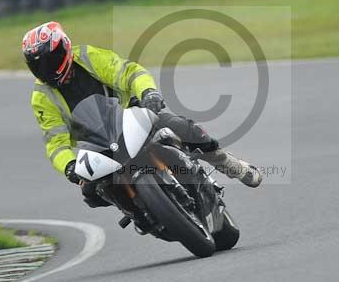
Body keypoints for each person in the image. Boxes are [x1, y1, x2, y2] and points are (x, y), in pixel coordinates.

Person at [22, 21, 262, 208]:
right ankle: (137, 210)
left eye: (50, 60)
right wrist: (69, 166)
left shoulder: (87, 57)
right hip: (97, 144)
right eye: (38, 65)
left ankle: (231, 165)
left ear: (64, 47)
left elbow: (128, 72)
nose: (46, 69)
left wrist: (148, 92)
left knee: (183, 128)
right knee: (91, 193)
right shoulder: (42, 96)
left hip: (130, 117)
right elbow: (55, 143)